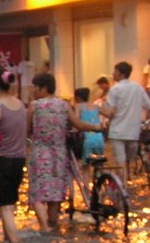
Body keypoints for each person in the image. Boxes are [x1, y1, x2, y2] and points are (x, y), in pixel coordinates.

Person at [27, 73, 101, 230]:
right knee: (55, 191)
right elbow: (79, 125)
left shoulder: (34, 106)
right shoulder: (64, 105)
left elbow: (26, 130)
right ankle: (53, 223)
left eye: (35, 87)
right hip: (59, 154)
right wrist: (95, 127)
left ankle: (44, 226)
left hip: (40, 153)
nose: (33, 91)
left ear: (44, 88)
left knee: (38, 193)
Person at [0, 67, 27, 243]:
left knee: (6, 207)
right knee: (11, 203)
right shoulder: (21, 105)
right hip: (19, 159)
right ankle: (7, 240)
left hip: (1, 161)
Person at [100, 61, 150, 187]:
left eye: (115, 71)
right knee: (129, 160)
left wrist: (100, 110)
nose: (113, 74)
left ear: (121, 73)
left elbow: (110, 113)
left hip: (117, 132)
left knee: (120, 162)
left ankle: (122, 189)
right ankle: (127, 183)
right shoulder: (138, 88)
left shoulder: (115, 89)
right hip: (133, 132)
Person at [73, 87, 105, 161]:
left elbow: (76, 121)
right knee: (99, 163)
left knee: (86, 164)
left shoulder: (78, 106)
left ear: (77, 97)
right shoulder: (96, 106)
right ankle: (98, 173)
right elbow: (108, 113)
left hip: (86, 138)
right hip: (99, 138)